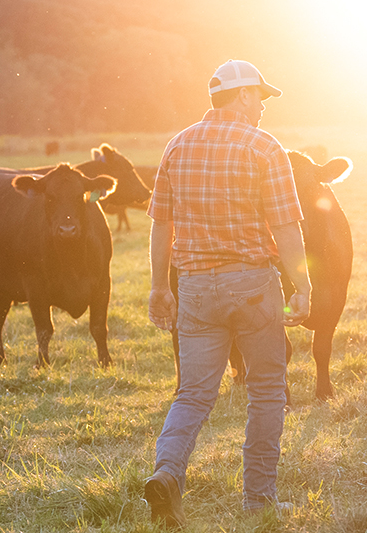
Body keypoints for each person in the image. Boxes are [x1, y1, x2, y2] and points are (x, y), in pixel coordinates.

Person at [143, 59, 311, 527]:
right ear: (242, 95)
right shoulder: (263, 146)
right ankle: (259, 501)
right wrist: (303, 285)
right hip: (253, 286)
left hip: (195, 288)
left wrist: (160, 287)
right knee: (266, 391)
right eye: (259, 97)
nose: (262, 108)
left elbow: (161, 224)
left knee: (193, 394)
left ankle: (167, 474)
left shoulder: (177, 146)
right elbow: (286, 226)